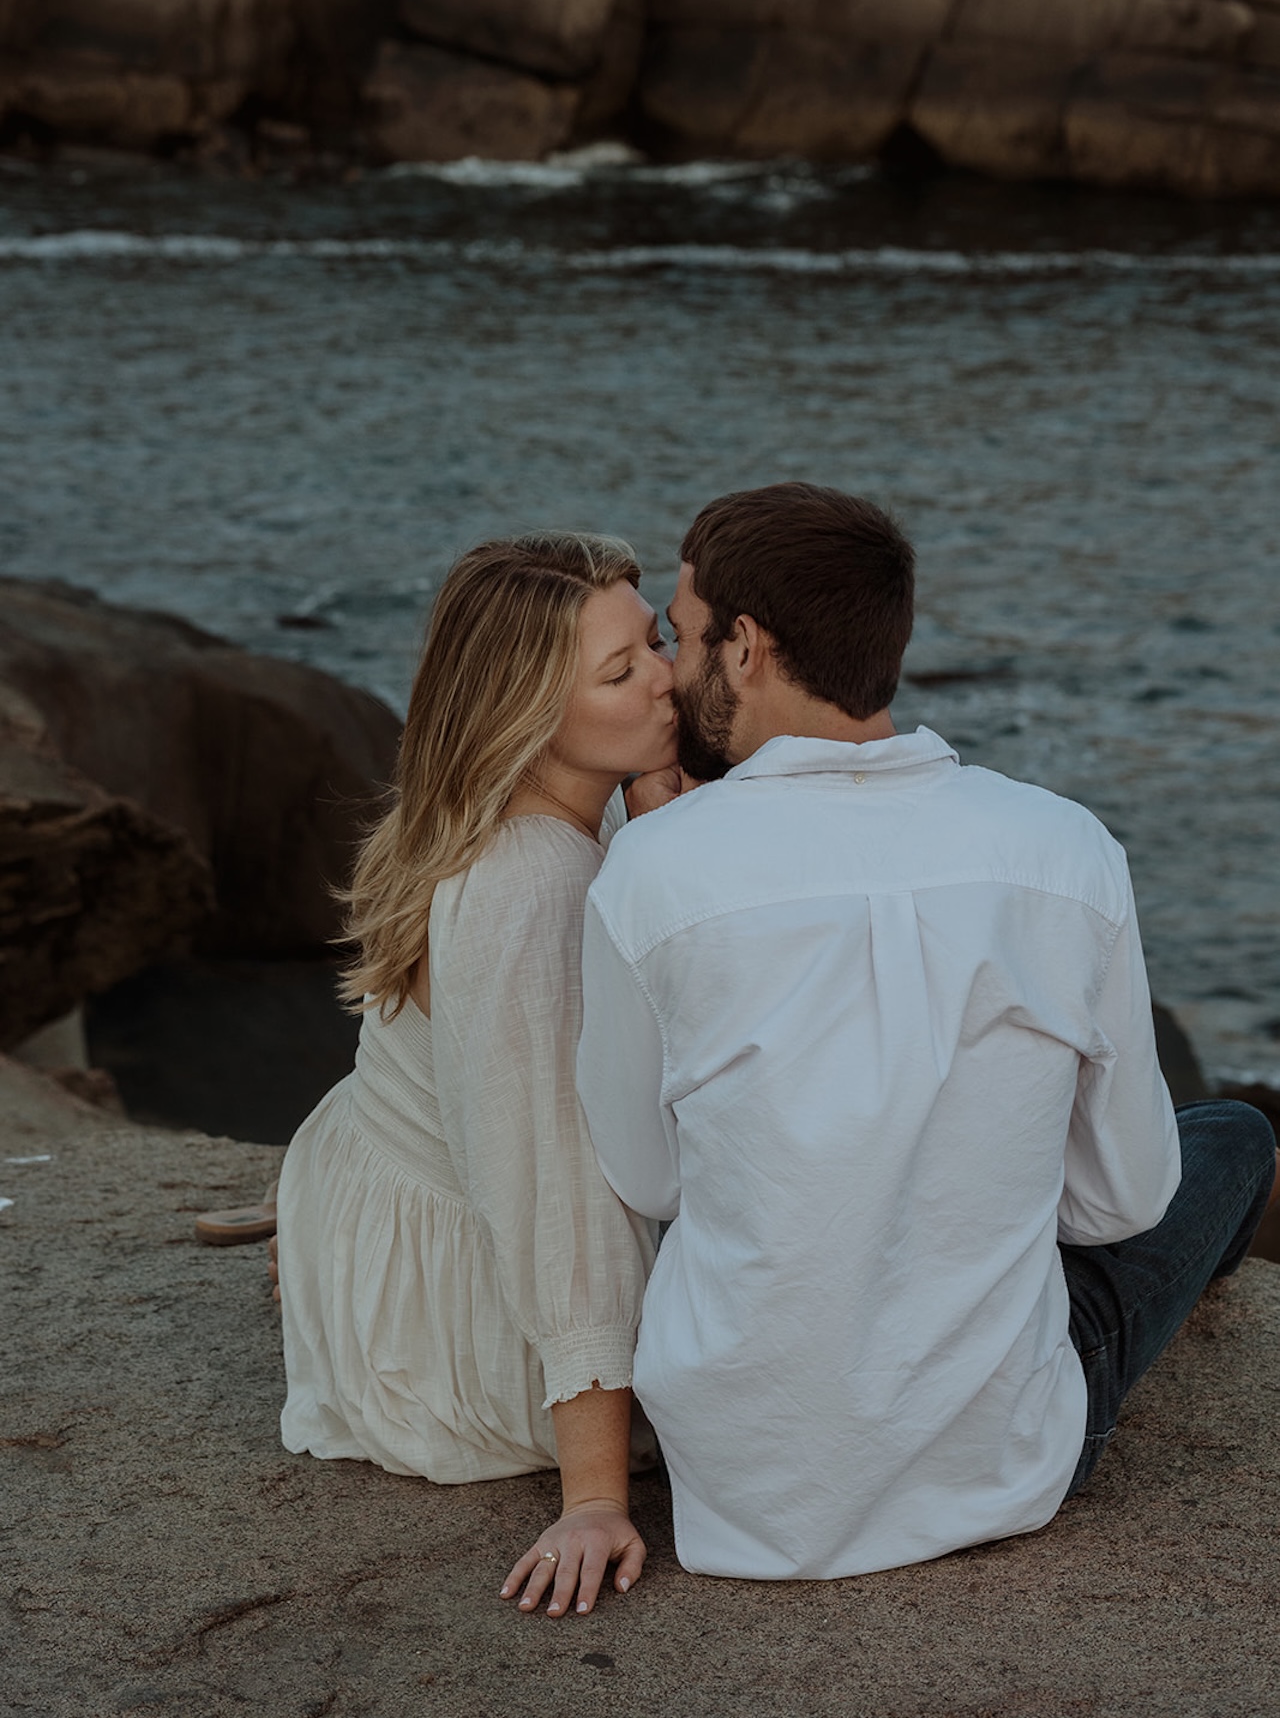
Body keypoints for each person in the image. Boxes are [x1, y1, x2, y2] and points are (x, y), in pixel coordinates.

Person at [575, 482, 1279, 1581]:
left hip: (747, 1484)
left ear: (747, 648)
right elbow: (1118, 1203)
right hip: (999, 1460)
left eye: (686, 633)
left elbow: (650, 1180)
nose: (670, 666)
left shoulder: (651, 871)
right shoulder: (1063, 848)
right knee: (1229, 1138)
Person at [275, 531, 679, 1616]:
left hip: (385, 1188)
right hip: (469, 1332)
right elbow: (554, 1188)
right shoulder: (531, 893)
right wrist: (593, 1493)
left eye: (658, 640)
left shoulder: (486, 812)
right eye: (620, 670)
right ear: (527, 718)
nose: (668, 676)